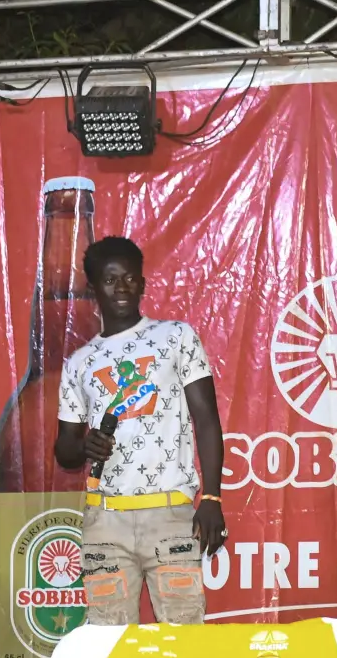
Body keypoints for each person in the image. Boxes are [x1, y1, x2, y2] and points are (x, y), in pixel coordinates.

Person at [55, 236, 227, 624]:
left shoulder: (176, 337)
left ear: (143, 284)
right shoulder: (79, 363)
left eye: (130, 278)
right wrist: (85, 447)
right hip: (105, 522)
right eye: (110, 280)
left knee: (183, 639)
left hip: (169, 514)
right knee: (109, 642)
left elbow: (206, 419)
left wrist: (212, 497)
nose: (122, 288)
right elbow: (65, 450)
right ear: (93, 288)